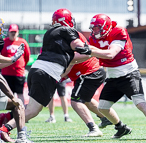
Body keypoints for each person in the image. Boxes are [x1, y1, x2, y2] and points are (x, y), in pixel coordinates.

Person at [0, 8, 100, 141]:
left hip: (36, 70)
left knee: (30, 107)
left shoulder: (49, 33)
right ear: (67, 20)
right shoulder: (68, 31)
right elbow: (79, 47)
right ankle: (5, 129)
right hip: (47, 73)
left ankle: (9, 122)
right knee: (33, 110)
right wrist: (94, 51)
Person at [75, 13, 146, 139]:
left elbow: (111, 54)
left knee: (140, 103)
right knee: (103, 107)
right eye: (93, 28)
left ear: (105, 26)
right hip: (113, 77)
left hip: (129, 74)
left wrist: (90, 50)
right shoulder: (94, 38)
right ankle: (121, 127)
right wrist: (68, 59)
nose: (94, 31)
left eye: (97, 28)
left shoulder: (118, 31)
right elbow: (88, 54)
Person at [60, 31, 113, 137]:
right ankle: (109, 119)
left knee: (76, 101)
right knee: (86, 101)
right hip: (90, 72)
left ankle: (93, 128)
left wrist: (63, 71)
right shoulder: (66, 37)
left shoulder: (71, 37)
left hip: (89, 72)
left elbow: (85, 53)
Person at [0, 18, 32, 143]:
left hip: (17, 74)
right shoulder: (4, 42)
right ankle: (21, 137)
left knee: (17, 100)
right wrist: (12, 60)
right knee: (17, 104)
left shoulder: (20, 41)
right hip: (7, 76)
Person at [0, 24, 30, 104]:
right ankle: (10, 114)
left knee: (20, 94)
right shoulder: (4, 42)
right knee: (8, 95)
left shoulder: (22, 42)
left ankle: (21, 111)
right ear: (9, 32)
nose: (13, 33)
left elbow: (27, 56)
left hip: (18, 73)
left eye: (15, 32)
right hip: (6, 73)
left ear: (18, 32)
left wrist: (21, 66)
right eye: (11, 32)